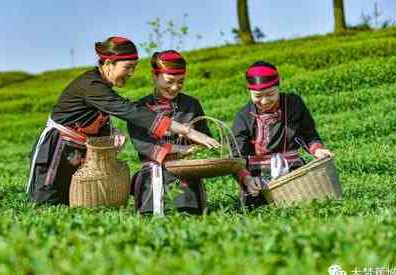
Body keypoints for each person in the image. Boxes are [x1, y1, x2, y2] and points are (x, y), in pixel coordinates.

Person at [27, 37, 219, 205]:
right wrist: (187, 131)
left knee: (72, 202)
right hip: (56, 150)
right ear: (109, 63)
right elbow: (131, 112)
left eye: (134, 68)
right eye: (127, 67)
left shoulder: (102, 86)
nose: (131, 73)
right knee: (45, 200)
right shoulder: (92, 85)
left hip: (79, 152)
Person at [231, 61, 334, 209]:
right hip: (257, 176)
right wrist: (246, 179)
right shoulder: (243, 116)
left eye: (270, 94)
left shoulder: (293, 104)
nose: (265, 101)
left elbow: (308, 133)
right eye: (258, 96)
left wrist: (317, 150)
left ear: (278, 87)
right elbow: (236, 156)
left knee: (307, 204)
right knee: (257, 208)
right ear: (249, 92)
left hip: (292, 170)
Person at [128, 50, 211, 215]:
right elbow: (143, 145)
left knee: (187, 215)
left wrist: (194, 140)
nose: (175, 87)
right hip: (152, 176)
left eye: (181, 82)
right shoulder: (139, 108)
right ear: (154, 76)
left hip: (185, 174)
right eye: (170, 81)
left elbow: (205, 138)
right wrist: (179, 149)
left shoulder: (191, 104)